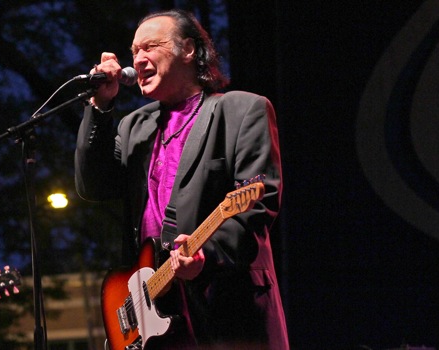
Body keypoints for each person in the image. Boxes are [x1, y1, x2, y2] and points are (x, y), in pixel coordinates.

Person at [74, 9, 289, 350]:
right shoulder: (135, 127)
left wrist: (208, 255)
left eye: (149, 47)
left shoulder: (242, 110)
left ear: (188, 49)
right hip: (156, 314)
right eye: (134, 52)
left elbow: (258, 204)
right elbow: (94, 185)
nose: (138, 59)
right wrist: (100, 106)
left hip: (227, 309)